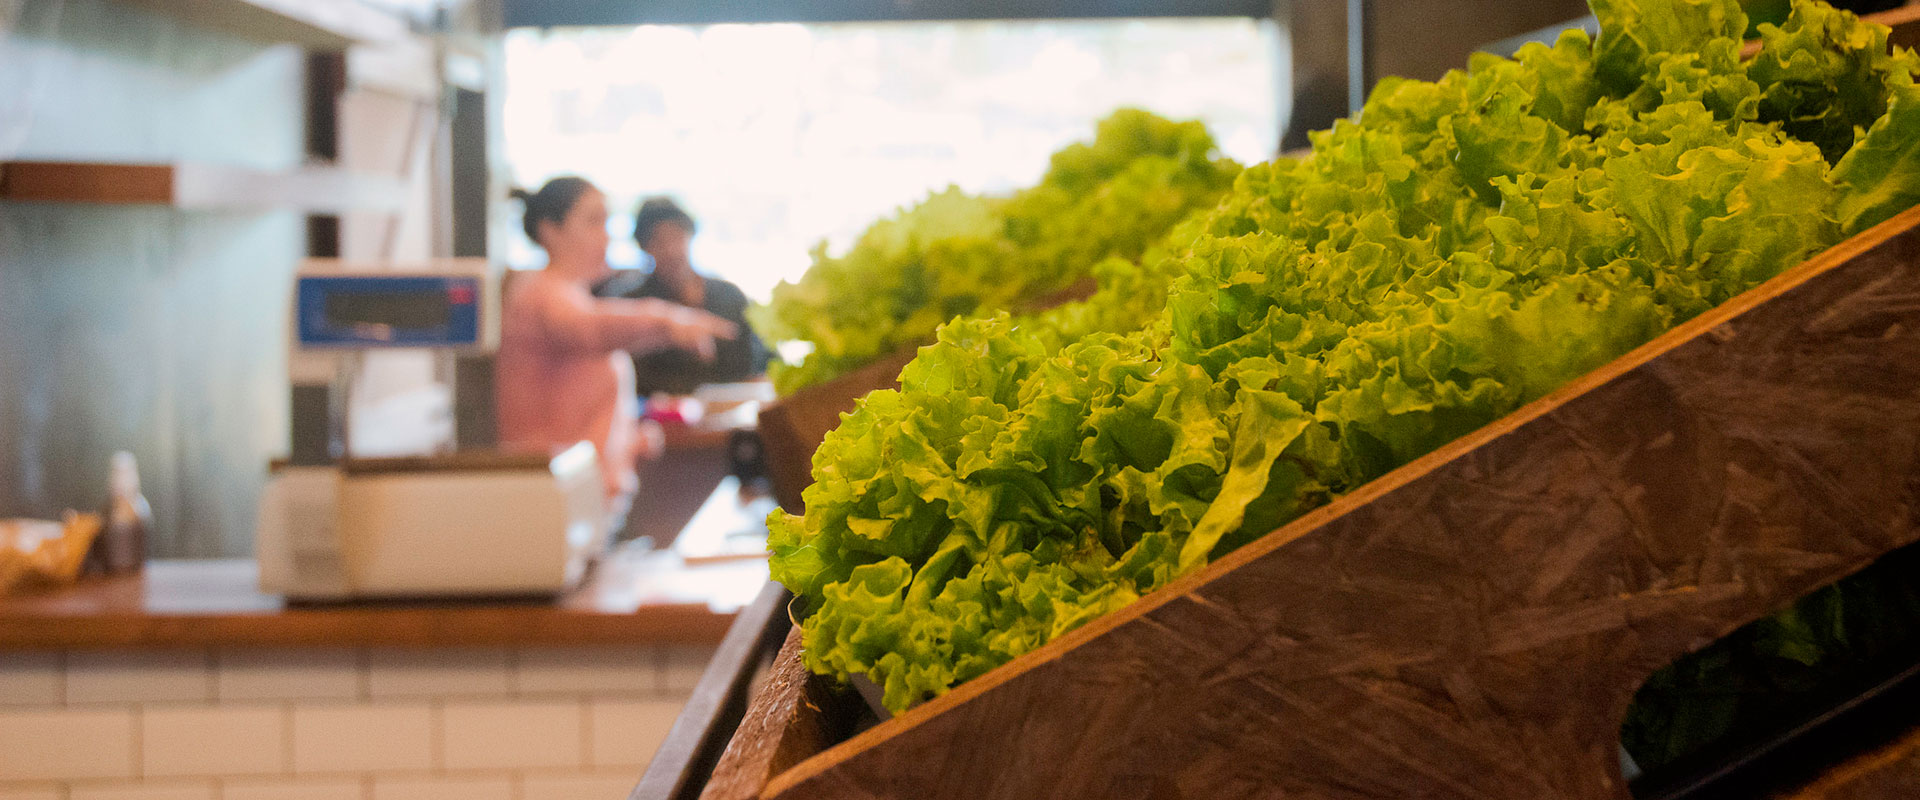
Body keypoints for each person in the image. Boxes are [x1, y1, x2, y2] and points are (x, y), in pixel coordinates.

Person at [494, 177, 736, 517]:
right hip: (550, 500)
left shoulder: (571, 293)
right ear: (550, 231)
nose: (607, 235)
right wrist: (668, 320)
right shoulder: (540, 292)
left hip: (578, 496)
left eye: (607, 222)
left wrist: (629, 436)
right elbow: (588, 329)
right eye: (593, 221)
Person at [596, 197, 770, 396]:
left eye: (676, 237)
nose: (670, 250)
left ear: (690, 235)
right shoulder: (633, 304)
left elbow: (760, 362)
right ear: (645, 248)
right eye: (658, 241)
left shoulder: (729, 296)